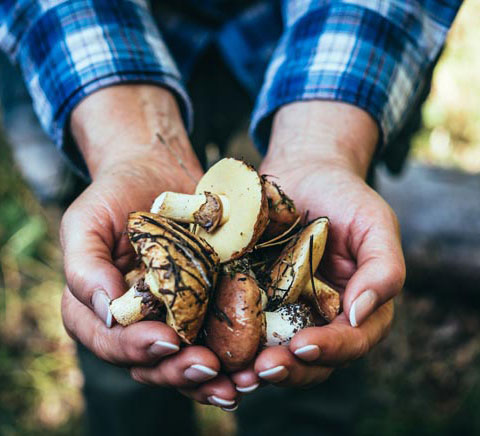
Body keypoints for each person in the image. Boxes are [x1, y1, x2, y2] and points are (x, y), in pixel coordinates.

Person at [0, 1, 462, 434]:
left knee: (308, 374)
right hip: (100, 70)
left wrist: (324, 143)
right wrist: (128, 144)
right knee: (118, 330)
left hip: (292, 53)